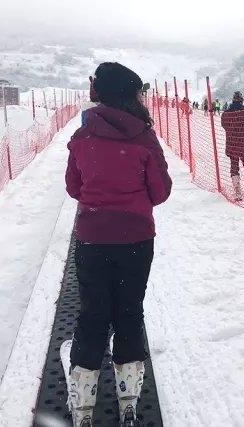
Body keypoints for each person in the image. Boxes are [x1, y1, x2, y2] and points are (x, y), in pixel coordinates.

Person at [63, 62, 172, 427]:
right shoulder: (143, 137)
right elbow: (160, 192)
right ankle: (128, 399)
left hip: (93, 238)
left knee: (92, 315)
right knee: (128, 311)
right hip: (136, 240)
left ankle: (82, 405)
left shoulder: (83, 137)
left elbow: (74, 188)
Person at [221, 91, 244, 200]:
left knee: (234, 166)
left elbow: (224, 125)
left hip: (232, 145)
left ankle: (237, 190)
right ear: (241, 100)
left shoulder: (225, 114)